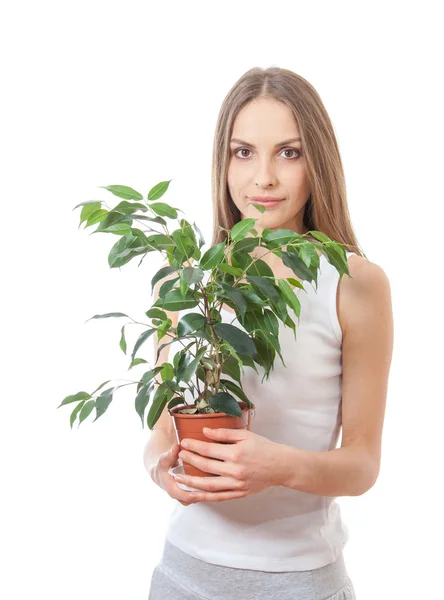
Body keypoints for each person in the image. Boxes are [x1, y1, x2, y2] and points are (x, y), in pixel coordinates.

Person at [144, 66, 394, 599]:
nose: (264, 179)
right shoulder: (188, 277)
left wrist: (278, 466)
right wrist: (157, 469)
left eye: (289, 152)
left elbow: (363, 463)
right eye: (243, 153)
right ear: (223, 161)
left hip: (302, 584)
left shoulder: (355, 284)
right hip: (182, 575)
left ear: (317, 160)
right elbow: (166, 430)